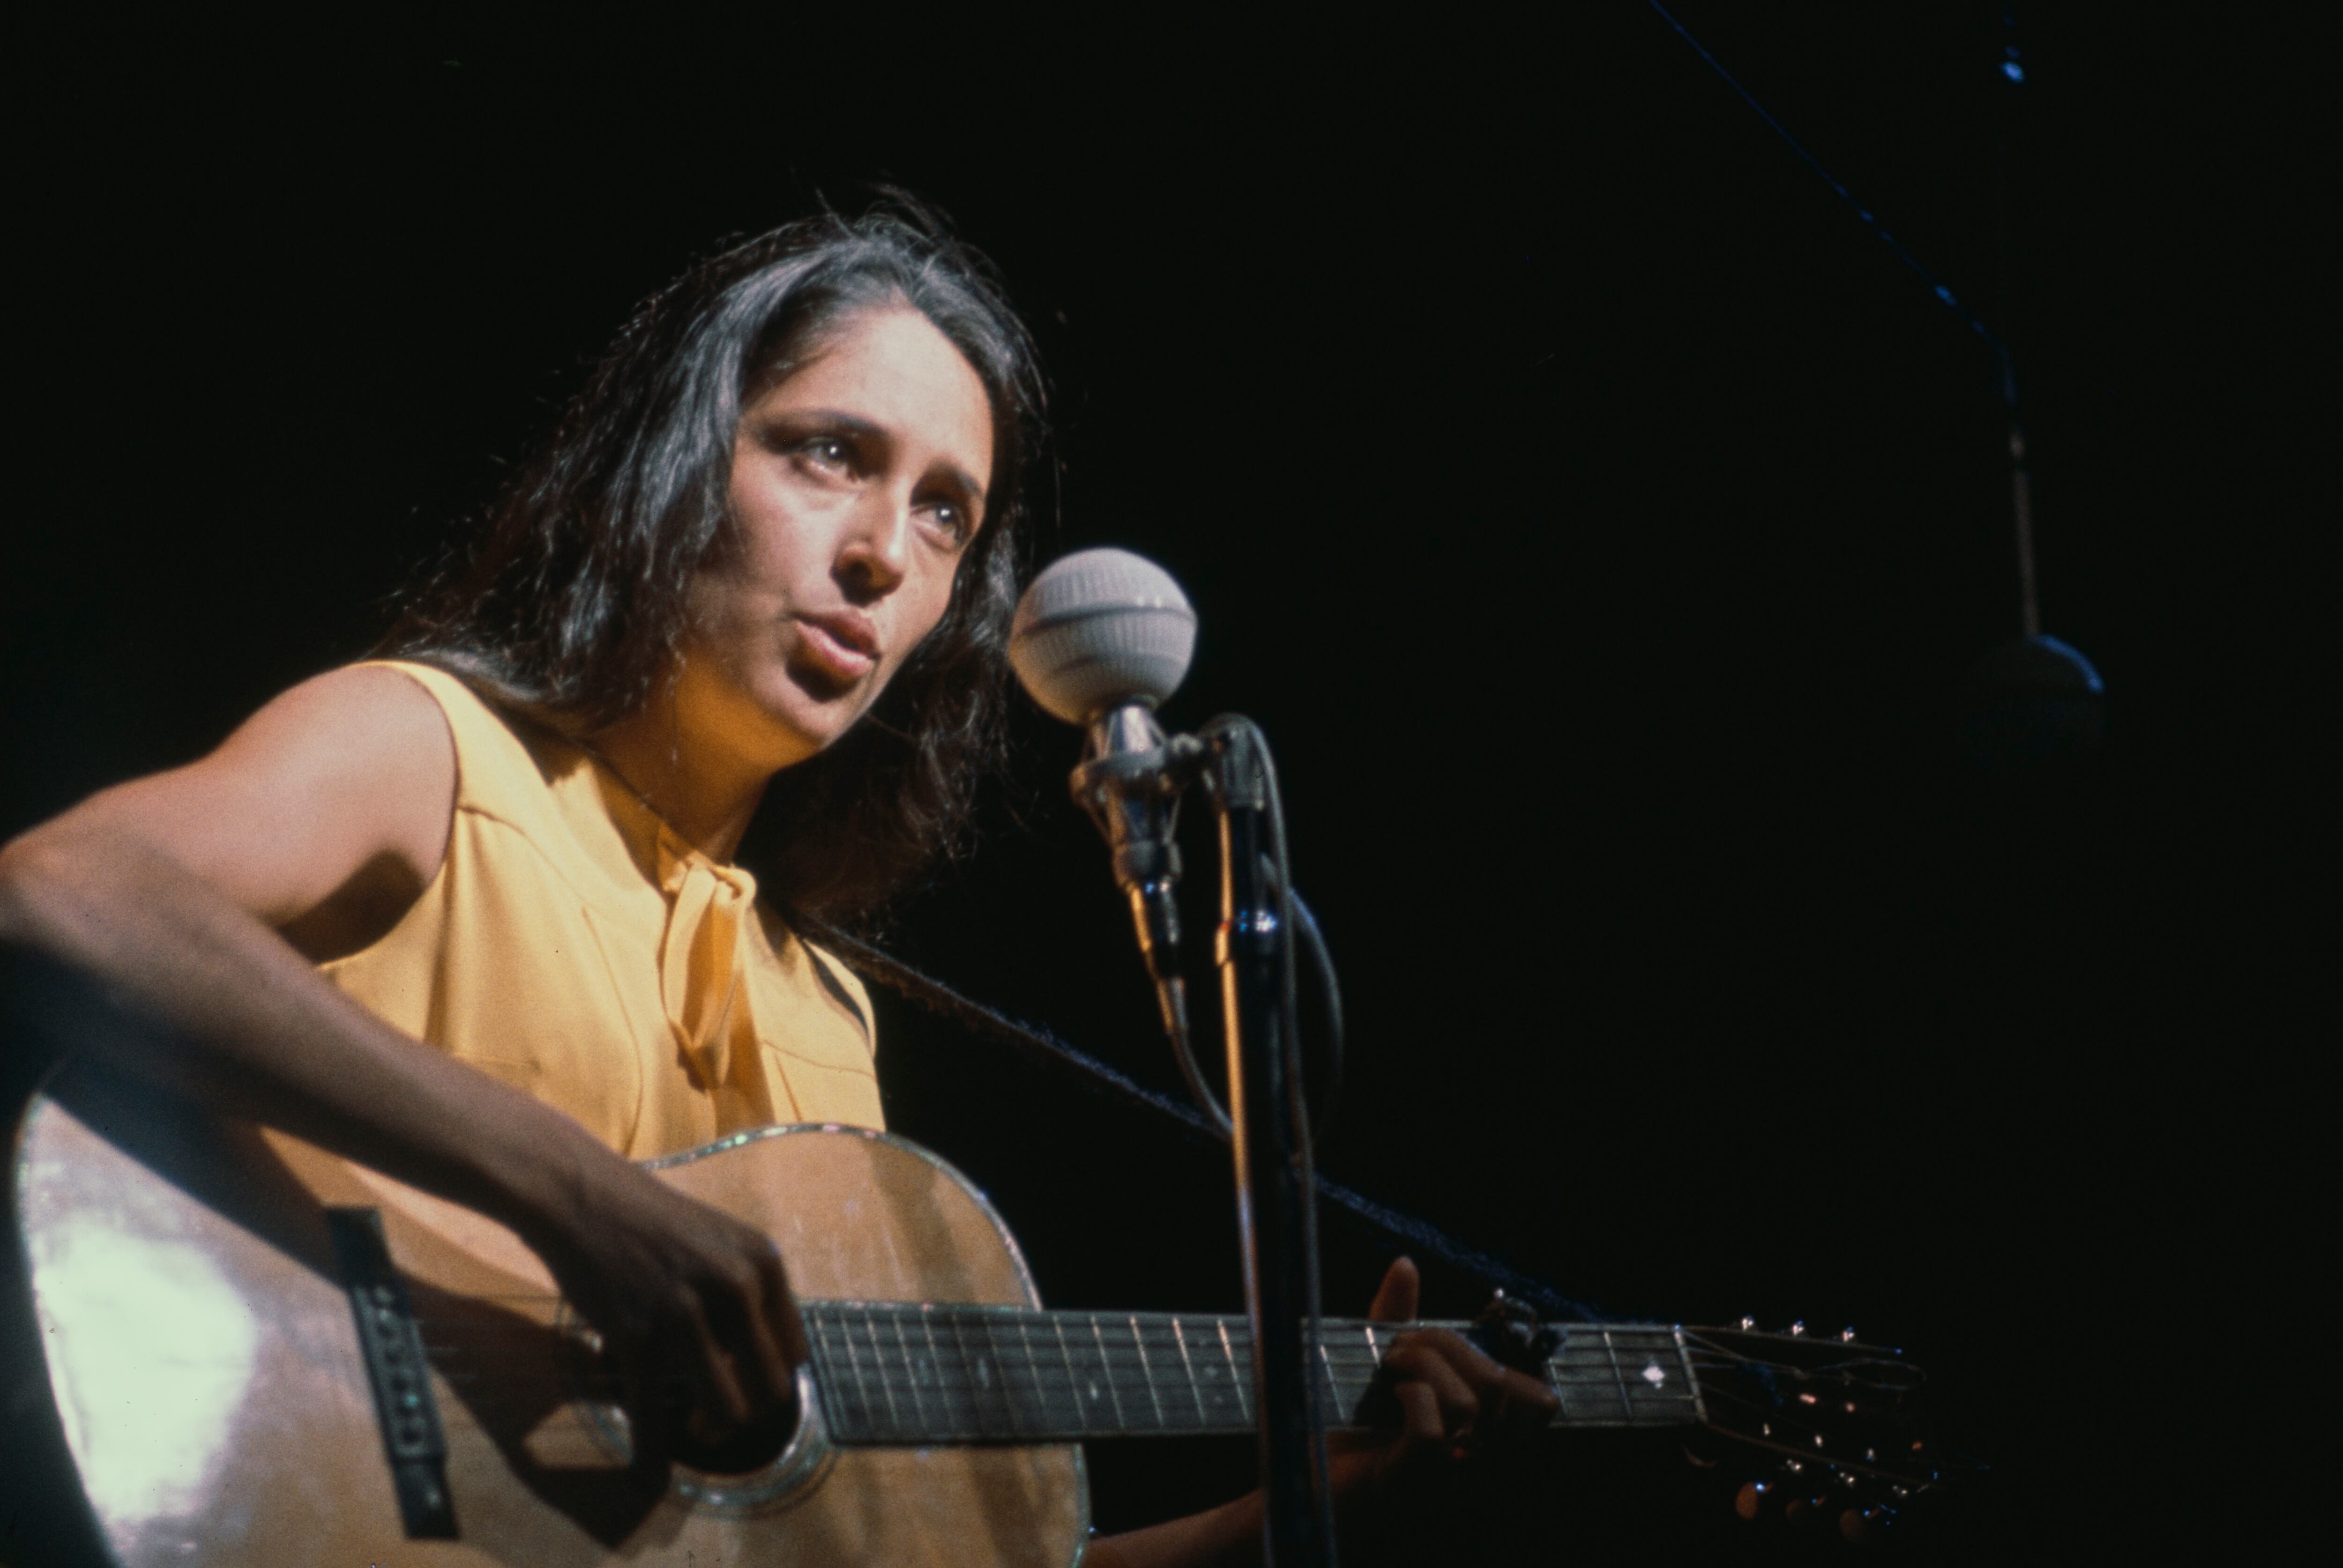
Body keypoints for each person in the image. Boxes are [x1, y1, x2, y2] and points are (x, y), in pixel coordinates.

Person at [0, 203, 1554, 1565]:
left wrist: (1309, 1500)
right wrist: (581, 1200)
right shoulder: (438, 752)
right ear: (680, 457)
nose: (886, 551)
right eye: (832, 453)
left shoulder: (829, 1027)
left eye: (946, 511)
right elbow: (58, 887)